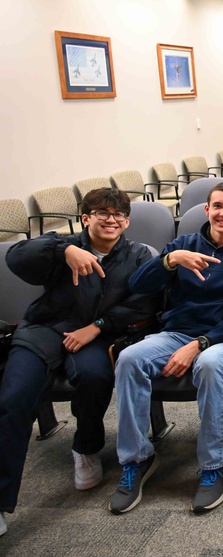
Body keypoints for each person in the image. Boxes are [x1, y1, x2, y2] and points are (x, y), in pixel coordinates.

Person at [0, 189, 156, 536]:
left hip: (97, 336)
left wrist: (98, 326)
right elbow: (17, 258)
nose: (111, 219)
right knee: (13, 400)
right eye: (102, 212)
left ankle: (85, 447)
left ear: (127, 221)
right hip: (45, 330)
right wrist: (63, 249)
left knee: (95, 377)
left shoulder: (138, 255)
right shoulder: (61, 247)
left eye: (118, 214)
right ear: (86, 218)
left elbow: (144, 305)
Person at [108, 182, 223, 515]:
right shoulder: (184, 245)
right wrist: (169, 260)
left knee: (208, 365)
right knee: (128, 359)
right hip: (176, 332)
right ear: (207, 210)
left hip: (222, 338)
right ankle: (137, 459)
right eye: (218, 206)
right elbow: (137, 285)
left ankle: (213, 467)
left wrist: (200, 344)